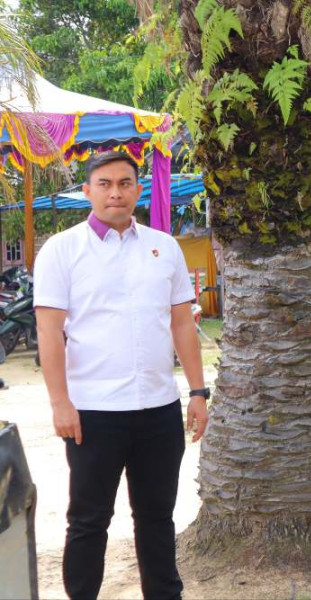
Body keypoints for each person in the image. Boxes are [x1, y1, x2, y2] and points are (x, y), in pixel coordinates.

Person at [34, 151, 209, 600]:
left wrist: (197, 391)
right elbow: (49, 331)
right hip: (93, 414)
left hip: (159, 409)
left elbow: (182, 323)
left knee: (157, 518)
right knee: (89, 520)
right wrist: (60, 404)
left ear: (138, 190)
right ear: (87, 191)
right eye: (105, 184)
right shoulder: (62, 250)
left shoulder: (163, 247)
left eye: (125, 183)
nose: (116, 192)